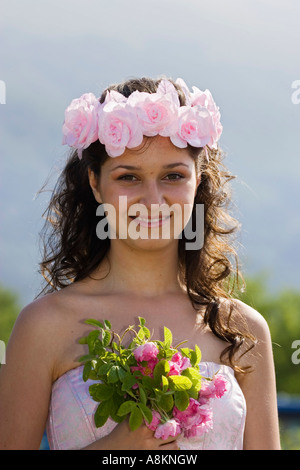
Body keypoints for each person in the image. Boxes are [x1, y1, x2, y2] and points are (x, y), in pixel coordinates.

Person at [0, 76, 281, 450]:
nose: (153, 200)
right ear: (96, 184)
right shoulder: (43, 326)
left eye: (173, 176)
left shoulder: (243, 329)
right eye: (129, 176)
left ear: (198, 182)